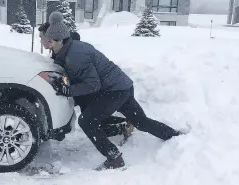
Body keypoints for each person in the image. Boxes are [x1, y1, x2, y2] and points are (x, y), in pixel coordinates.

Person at [43, 11, 186, 171]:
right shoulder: (69, 50)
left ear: (60, 40)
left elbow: (93, 85)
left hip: (114, 90)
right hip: (122, 85)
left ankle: (114, 157)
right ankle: (174, 136)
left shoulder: (75, 55)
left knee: (87, 120)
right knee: (140, 121)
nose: (47, 44)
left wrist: (68, 90)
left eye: (50, 41)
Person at [38, 22, 135, 143]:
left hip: (105, 88)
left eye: (41, 37)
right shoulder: (59, 48)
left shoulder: (73, 52)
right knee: (90, 119)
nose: (40, 40)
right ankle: (122, 126)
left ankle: (117, 144)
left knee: (88, 120)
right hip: (92, 86)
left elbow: (91, 80)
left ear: (51, 38)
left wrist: (69, 90)